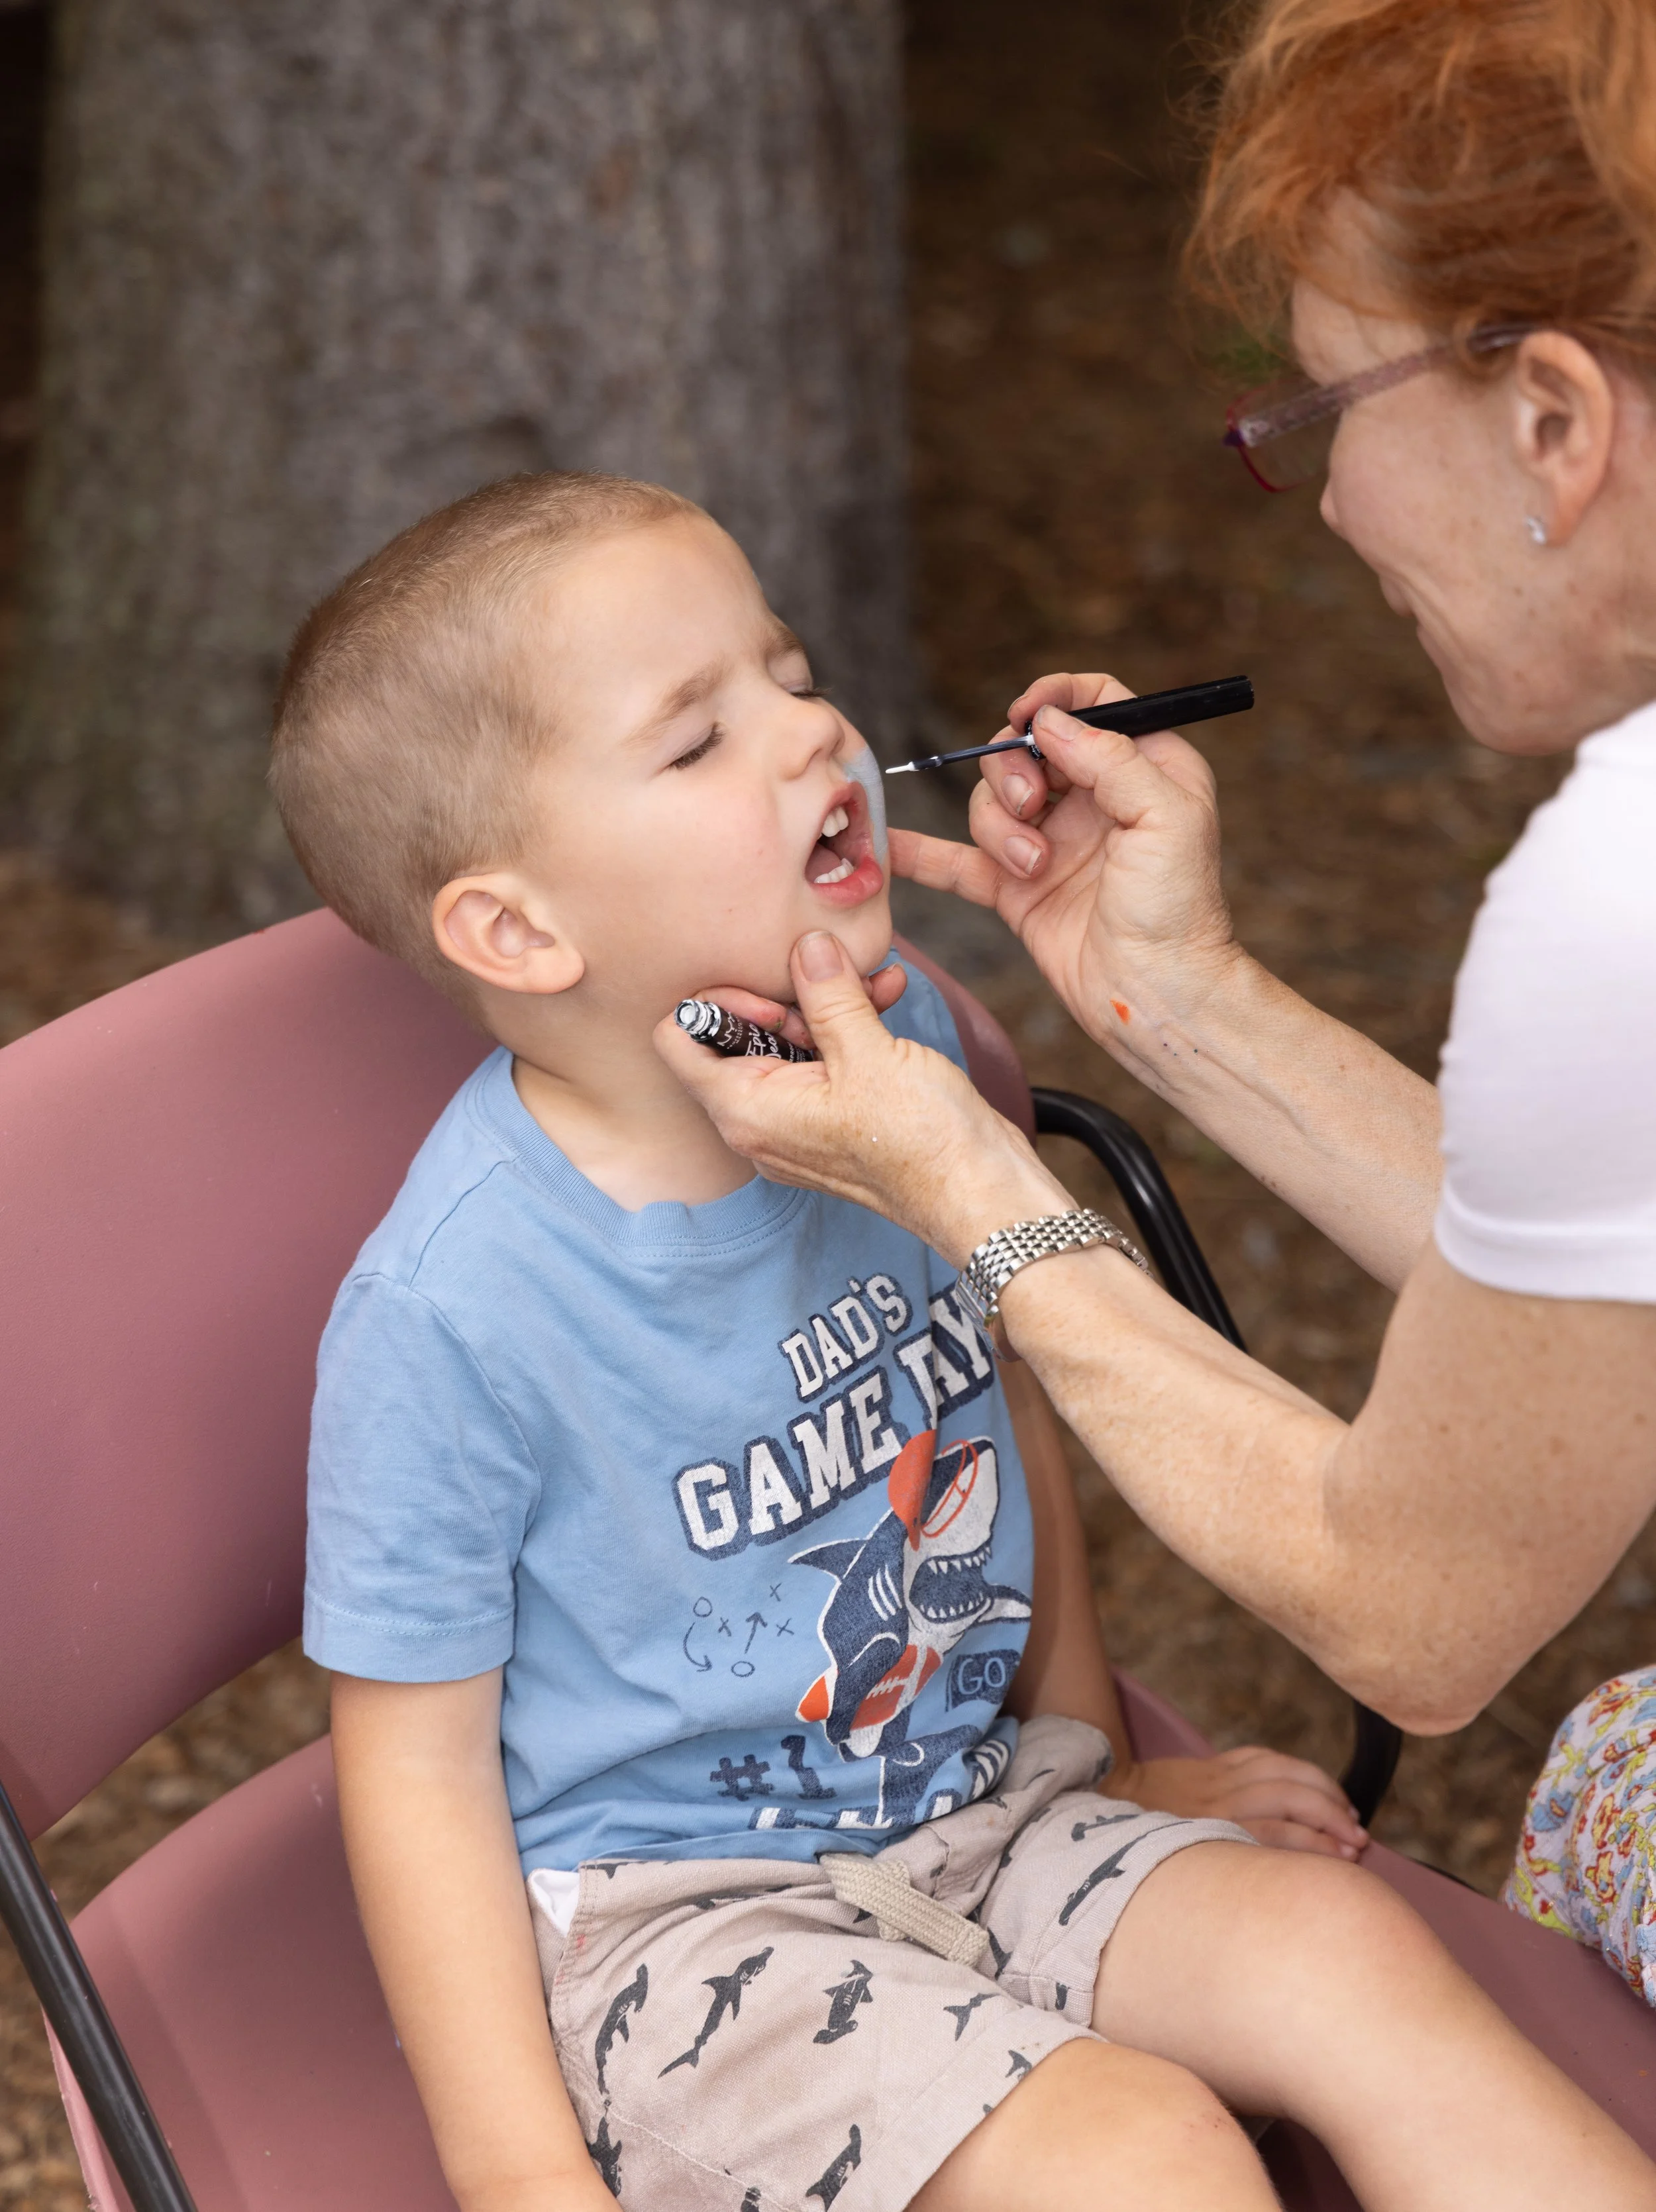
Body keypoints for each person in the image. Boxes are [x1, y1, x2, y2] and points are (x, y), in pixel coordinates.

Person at [267, 471, 1654, 2212]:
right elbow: (408, 1775)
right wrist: (521, 2174)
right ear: (519, 930)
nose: (811, 730)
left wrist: (1106, 1758)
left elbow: (992, 1401)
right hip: (692, 1930)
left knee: (1338, 1945)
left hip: (982, 1807)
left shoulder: (898, 1049)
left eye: (787, 670)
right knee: (1145, 2154)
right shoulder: (456, 1311)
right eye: (698, 740)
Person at [656, 0, 1656, 2013]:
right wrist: (1173, 996)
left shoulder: (1619, 892)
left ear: (1549, 414)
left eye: (1318, 417)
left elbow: (1416, 1608)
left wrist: (975, 1195)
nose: (1324, 503)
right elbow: (1608, 1265)